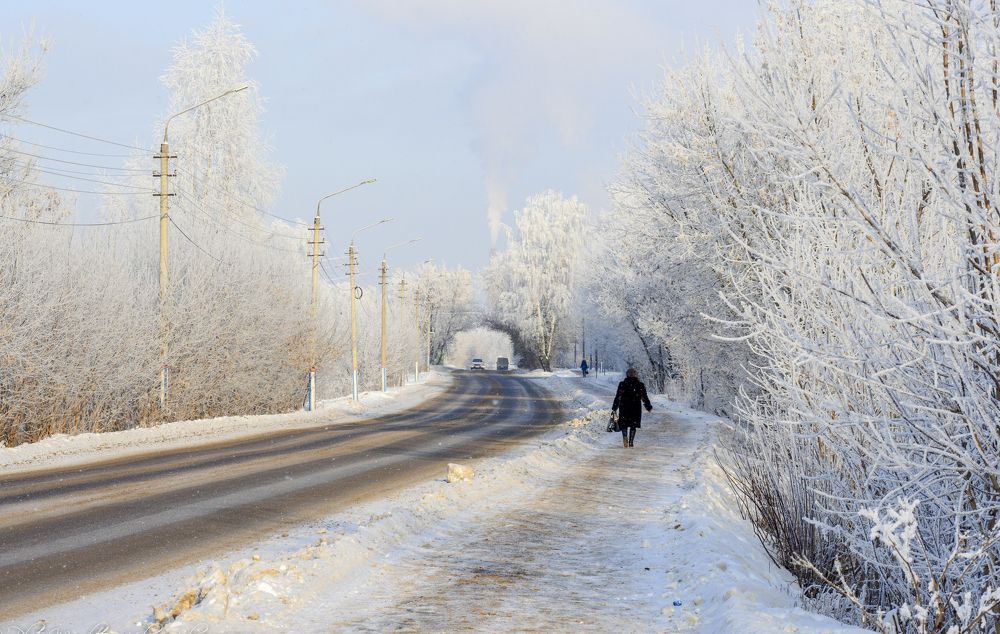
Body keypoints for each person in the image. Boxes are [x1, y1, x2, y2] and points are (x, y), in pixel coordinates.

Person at [612, 368, 652, 448]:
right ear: (635, 375)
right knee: (633, 425)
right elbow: (644, 397)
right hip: (635, 408)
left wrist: (614, 407)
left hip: (624, 407)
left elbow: (618, 396)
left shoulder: (622, 384)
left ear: (627, 375)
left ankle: (625, 437)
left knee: (624, 424)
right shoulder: (640, 385)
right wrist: (648, 406)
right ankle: (631, 442)